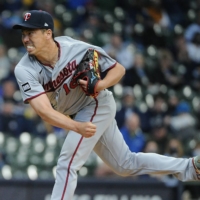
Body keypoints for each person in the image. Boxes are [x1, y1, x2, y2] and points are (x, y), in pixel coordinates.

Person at [12, 10, 200, 200]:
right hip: (77, 115)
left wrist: (100, 84)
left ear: (48, 33)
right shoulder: (24, 68)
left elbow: (119, 69)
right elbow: (43, 111)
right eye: (23, 34)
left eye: (31, 33)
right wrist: (76, 126)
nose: (26, 39)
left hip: (96, 103)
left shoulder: (74, 48)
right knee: (125, 164)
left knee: (67, 163)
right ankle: (189, 168)